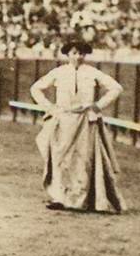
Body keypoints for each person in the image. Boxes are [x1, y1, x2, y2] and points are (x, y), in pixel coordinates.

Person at [29, 39, 126, 213]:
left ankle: (81, 200)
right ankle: (59, 197)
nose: (78, 57)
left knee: (83, 160)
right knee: (60, 159)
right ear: (67, 54)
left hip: (84, 120)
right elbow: (35, 88)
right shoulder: (58, 72)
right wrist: (50, 108)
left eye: (81, 53)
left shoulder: (92, 72)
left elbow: (116, 88)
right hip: (63, 118)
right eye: (74, 53)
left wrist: (98, 105)